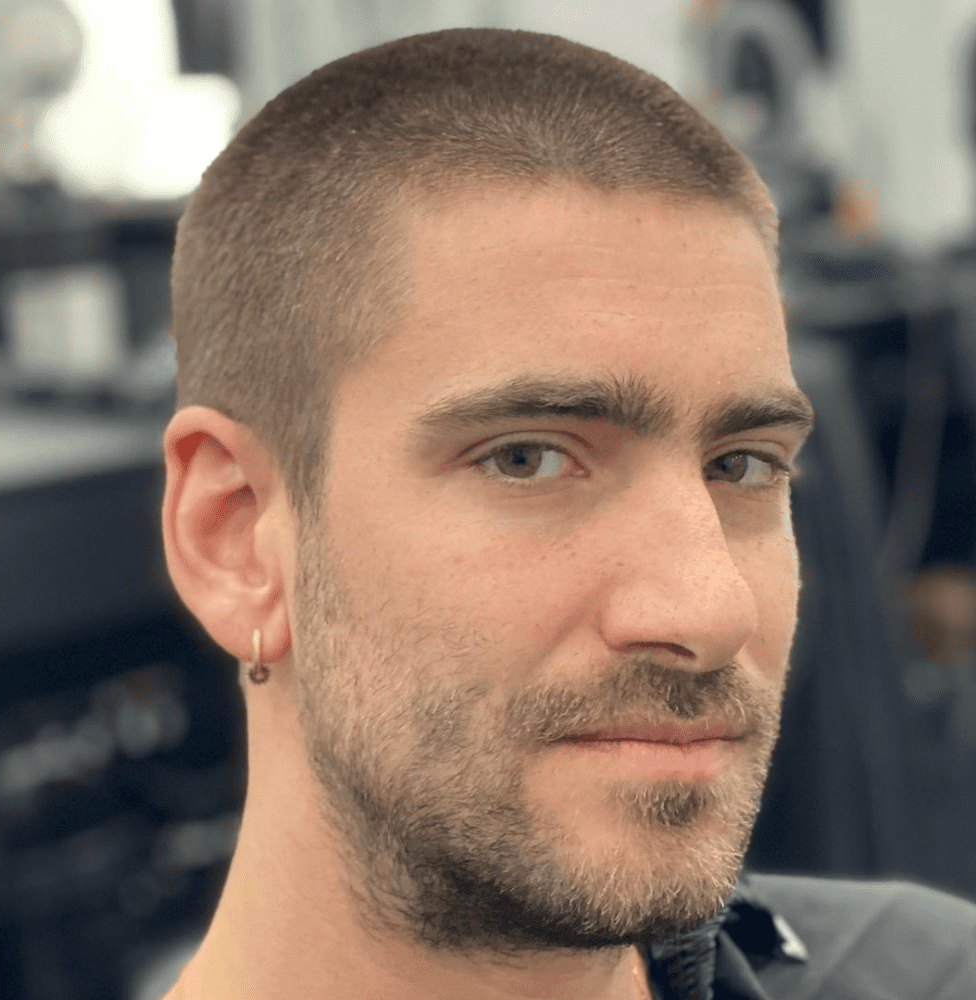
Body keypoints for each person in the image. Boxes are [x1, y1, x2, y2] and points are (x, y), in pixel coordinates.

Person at [158, 27, 976, 1000]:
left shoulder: (930, 968)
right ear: (236, 539)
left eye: (742, 465)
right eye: (528, 458)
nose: (713, 610)